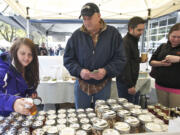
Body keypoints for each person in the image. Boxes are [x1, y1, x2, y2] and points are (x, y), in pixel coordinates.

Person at [64, 3, 126, 109]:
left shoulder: (113, 34)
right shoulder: (76, 36)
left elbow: (120, 58)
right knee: (81, 115)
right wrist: (80, 71)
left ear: (99, 16)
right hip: (82, 84)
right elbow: (68, 59)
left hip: (103, 84)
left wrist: (106, 70)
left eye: (90, 18)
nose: (87, 22)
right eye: (84, 18)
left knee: (102, 115)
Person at [0, 38, 39, 117]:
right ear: (15, 52)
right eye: (22, 53)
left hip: (20, 115)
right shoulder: (3, 68)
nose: (26, 58)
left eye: (30, 54)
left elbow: (26, 85)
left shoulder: (28, 67)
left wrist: (31, 92)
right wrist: (12, 102)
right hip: (4, 116)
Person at [116, 16, 146, 104]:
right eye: (139, 30)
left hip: (129, 81)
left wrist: (140, 59)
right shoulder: (126, 42)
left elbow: (131, 59)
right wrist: (130, 86)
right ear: (130, 29)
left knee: (132, 106)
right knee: (127, 109)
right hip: (125, 82)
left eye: (143, 30)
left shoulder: (133, 40)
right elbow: (124, 65)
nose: (141, 32)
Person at [149, 23, 180, 108]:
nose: (176, 39)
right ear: (169, 35)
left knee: (175, 116)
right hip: (160, 85)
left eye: (179, 37)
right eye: (173, 36)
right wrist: (161, 63)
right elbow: (151, 61)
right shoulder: (163, 46)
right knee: (162, 112)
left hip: (177, 88)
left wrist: (178, 59)